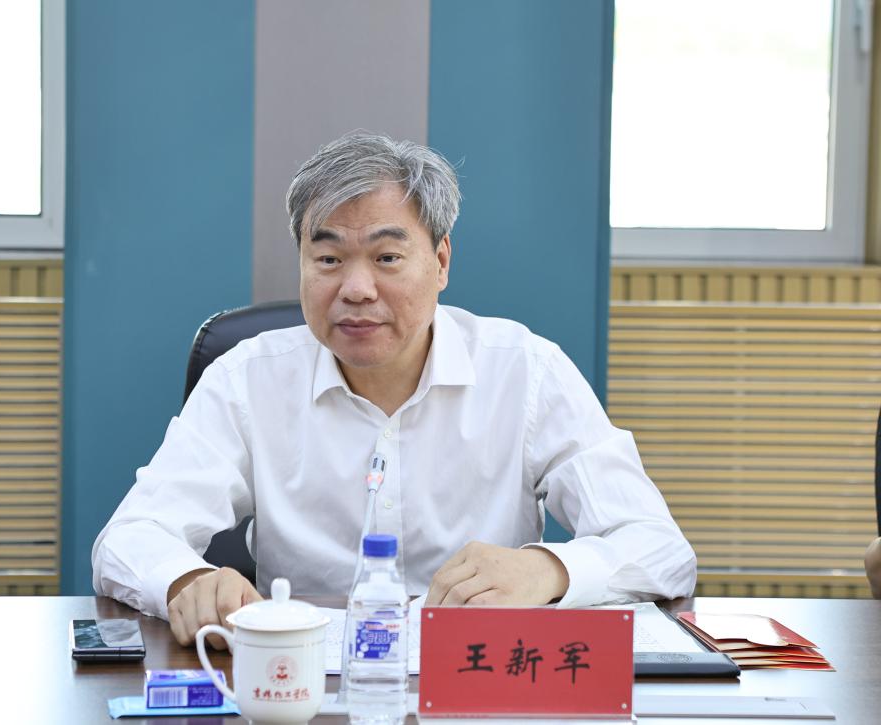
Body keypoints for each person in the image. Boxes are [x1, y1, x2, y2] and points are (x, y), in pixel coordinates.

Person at [92, 132, 697, 648]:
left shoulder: (526, 372)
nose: (356, 289)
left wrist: (548, 570)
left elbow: (659, 547)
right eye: (328, 259)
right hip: (303, 682)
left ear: (440, 262)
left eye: (386, 257)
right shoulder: (246, 379)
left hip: (479, 679)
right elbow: (128, 539)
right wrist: (188, 582)